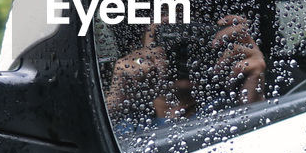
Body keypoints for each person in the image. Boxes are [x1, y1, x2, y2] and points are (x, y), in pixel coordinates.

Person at [104, 14, 266, 128]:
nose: (181, 47)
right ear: (140, 48)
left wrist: (253, 98)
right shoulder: (129, 119)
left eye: (190, 34)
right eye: (167, 33)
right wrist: (115, 101)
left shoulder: (225, 109)